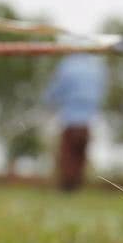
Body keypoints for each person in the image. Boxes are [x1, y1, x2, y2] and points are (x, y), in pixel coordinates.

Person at [44, 54, 107, 191]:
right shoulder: (97, 67)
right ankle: (76, 186)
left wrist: (48, 102)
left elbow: (56, 89)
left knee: (67, 156)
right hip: (87, 122)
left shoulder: (68, 65)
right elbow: (102, 92)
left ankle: (68, 188)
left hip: (70, 121)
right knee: (80, 157)